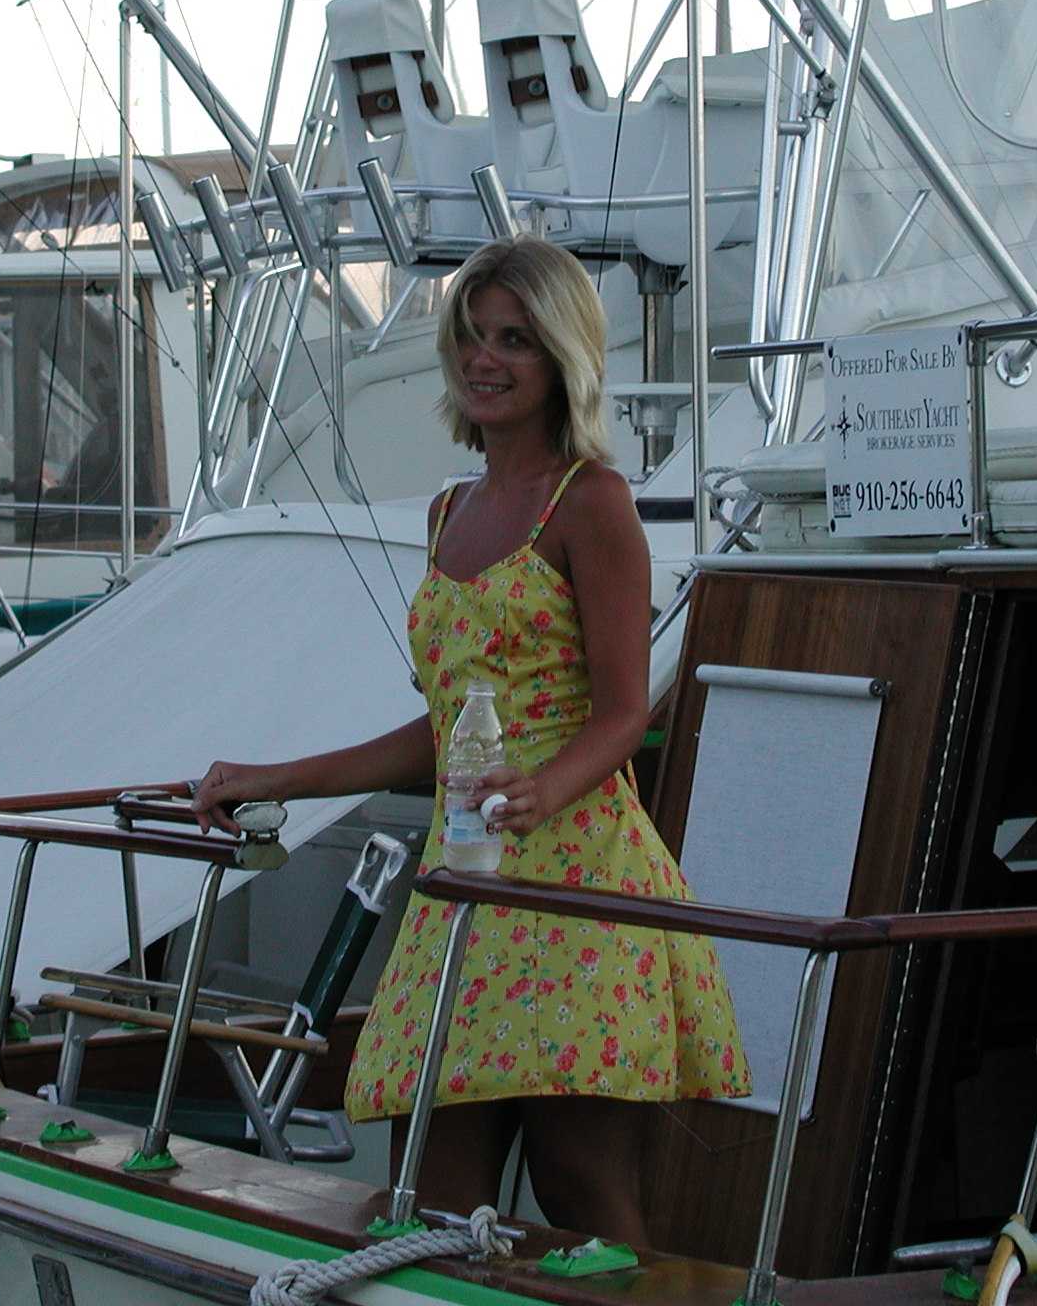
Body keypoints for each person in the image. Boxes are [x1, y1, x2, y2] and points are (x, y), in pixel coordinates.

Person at [192, 235, 748, 1242]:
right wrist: (280, 778)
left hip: (577, 887)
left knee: (581, 1189)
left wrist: (543, 788)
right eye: (471, 336)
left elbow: (626, 711)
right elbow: (444, 733)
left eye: (515, 340)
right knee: (434, 1196)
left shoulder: (591, 502)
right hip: (467, 889)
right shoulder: (451, 509)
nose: (484, 360)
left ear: (561, 358)